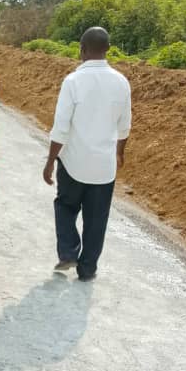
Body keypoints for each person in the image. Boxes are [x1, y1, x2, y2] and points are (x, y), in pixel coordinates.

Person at [43, 26, 131, 282]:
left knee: (65, 206)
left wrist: (50, 161)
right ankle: (88, 268)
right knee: (97, 219)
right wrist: (120, 153)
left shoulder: (73, 81)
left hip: (73, 162)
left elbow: (61, 127)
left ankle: (68, 252)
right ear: (108, 50)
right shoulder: (121, 82)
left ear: (81, 50)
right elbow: (124, 126)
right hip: (104, 167)